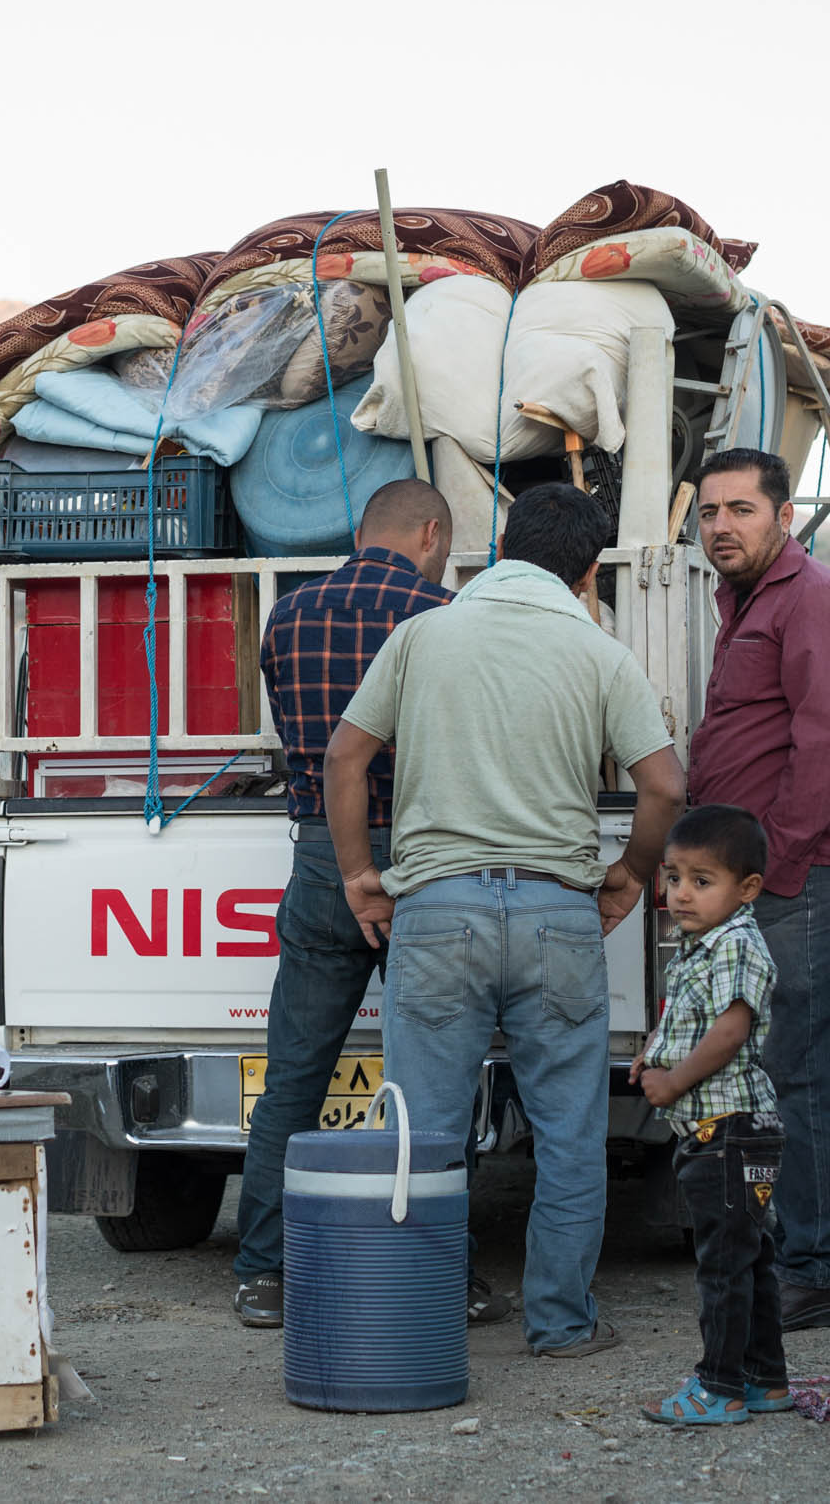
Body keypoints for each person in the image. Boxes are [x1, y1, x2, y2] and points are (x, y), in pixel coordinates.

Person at [326, 483, 685, 1358]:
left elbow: (345, 753)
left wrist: (359, 874)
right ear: (588, 567)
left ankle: (414, 1317)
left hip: (438, 909)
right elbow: (666, 784)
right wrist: (630, 873)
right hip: (556, 914)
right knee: (568, 1135)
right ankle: (560, 1322)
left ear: (497, 547)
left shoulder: (422, 635)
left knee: (424, 1132)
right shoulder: (597, 650)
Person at [231, 480, 512, 1328]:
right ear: (431, 533)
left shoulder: (288, 616)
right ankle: (442, 1273)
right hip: (426, 858)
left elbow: (295, 733)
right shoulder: (449, 618)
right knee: (431, 1080)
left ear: (362, 532)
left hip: (323, 857)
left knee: (293, 1077)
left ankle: (264, 1273)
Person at [687, 446, 830, 1332]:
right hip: (773, 879)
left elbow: (827, 743)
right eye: (709, 511)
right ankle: (796, 1259)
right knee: (772, 1074)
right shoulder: (748, 600)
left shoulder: (817, 600)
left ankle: (815, 1273)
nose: (721, 525)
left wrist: (782, 870)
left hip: (812, 874)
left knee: (802, 1077)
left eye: (741, 510)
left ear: (783, 511)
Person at [633, 805, 789, 1427]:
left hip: (728, 1131)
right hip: (723, 1133)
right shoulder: (703, 946)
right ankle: (764, 1379)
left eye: (702, 881)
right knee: (748, 1254)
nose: (681, 894)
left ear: (747, 888)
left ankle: (718, 1388)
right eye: (674, 878)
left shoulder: (738, 944)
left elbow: (729, 1031)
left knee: (722, 1264)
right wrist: (654, 1048)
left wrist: (671, 1081)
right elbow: (692, 1019)